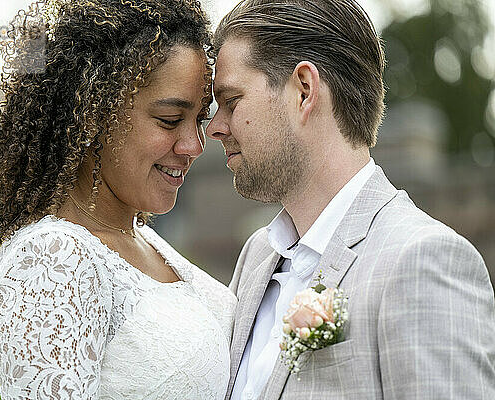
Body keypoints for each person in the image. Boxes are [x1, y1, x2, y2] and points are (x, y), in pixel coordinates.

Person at [205, 0, 495, 399]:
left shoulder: (422, 260)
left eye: (231, 101)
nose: (215, 128)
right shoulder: (256, 256)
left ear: (304, 91)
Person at [0, 0, 236, 398]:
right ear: (93, 114)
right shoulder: (51, 260)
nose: (194, 145)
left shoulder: (142, 240)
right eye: (169, 120)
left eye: (198, 119)